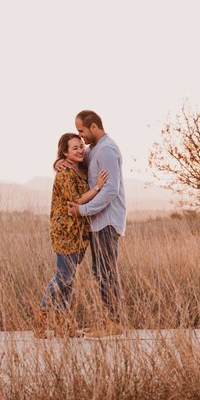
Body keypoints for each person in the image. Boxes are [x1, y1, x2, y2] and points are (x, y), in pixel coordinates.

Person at [33, 132, 108, 339]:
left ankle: (63, 326)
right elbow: (75, 200)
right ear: (65, 153)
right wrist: (98, 187)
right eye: (74, 148)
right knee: (63, 277)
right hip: (65, 232)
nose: (80, 150)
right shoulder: (65, 173)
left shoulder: (80, 168)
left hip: (79, 233)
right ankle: (40, 320)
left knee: (69, 280)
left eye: (81, 146)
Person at [64, 109, 127, 337]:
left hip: (107, 221)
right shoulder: (93, 150)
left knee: (106, 272)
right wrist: (60, 162)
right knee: (99, 272)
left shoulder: (107, 149)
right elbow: (77, 161)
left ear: (93, 127)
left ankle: (113, 323)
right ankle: (106, 321)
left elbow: (111, 189)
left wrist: (83, 210)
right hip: (98, 222)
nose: (80, 136)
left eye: (81, 131)